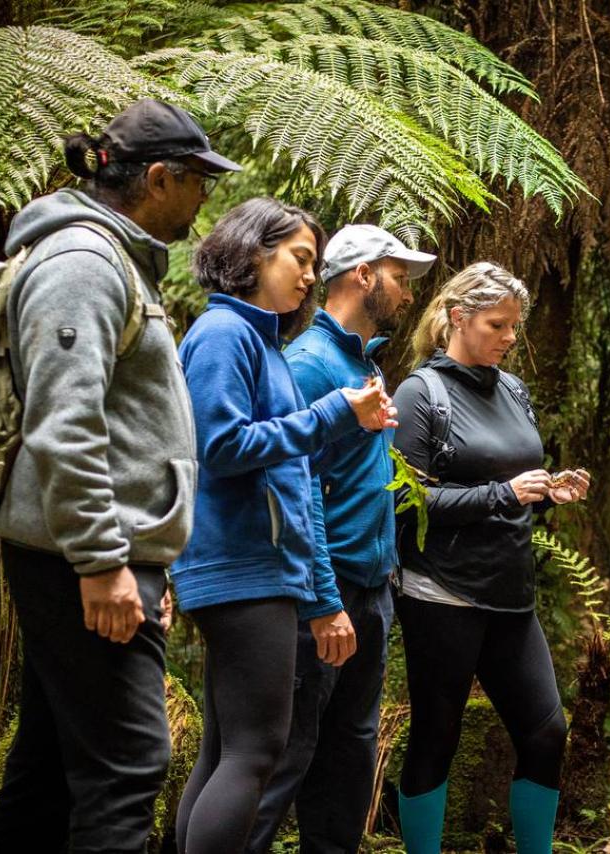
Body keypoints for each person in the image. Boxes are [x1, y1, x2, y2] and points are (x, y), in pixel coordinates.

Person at [0, 98, 239, 853]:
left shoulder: (111, 261)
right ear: (159, 178)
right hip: (82, 558)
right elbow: (65, 425)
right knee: (128, 764)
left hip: (91, 554)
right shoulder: (83, 266)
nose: (206, 198)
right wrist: (103, 562)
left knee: (51, 765)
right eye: (200, 181)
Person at [171, 198, 396, 854]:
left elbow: (288, 479)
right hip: (242, 567)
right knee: (256, 753)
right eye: (299, 258)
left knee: (226, 752)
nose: (308, 275)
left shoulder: (260, 339)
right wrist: (334, 413)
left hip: (256, 569)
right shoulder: (225, 334)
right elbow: (222, 445)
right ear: (251, 252)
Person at [390, 262, 590, 854]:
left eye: (514, 327)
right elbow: (407, 499)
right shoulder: (420, 394)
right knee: (437, 734)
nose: (509, 337)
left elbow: (512, 476)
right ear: (456, 318)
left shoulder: (513, 389)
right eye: (497, 325)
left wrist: (548, 487)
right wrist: (503, 494)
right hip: (442, 592)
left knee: (547, 731)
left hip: (510, 591)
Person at [249, 224, 436, 854]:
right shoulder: (306, 365)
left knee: (348, 759)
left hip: (369, 592)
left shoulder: (363, 362)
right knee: (286, 756)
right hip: (320, 599)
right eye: (400, 278)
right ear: (364, 277)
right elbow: (291, 491)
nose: (408, 294)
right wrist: (322, 599)